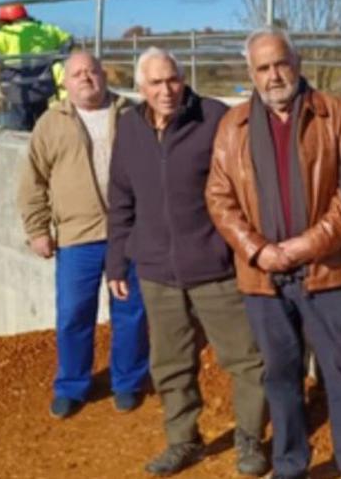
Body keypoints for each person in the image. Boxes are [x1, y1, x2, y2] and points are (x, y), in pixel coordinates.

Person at [206, 29, 341, 479]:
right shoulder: (232, 126)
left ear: (297, 63)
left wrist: (307, 245)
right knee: (280, 378)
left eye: (281, 63)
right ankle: (290, 465)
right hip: (263, 278)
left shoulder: (336, 115)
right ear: (251, 74)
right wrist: (257, 251)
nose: (274, 75)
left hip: (328, 272)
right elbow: (219, 197)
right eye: (263, 68)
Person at [105, 47, 269, 477]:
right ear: (140, 88)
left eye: (172, 80)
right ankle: (183, 440)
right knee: (170, 362)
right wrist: (116, 262)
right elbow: (121, 199)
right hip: (156, 271)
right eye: (156, 83)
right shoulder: (129, 128)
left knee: (247, 359)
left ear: (183, 78)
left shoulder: (214, 117)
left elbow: (245, 183)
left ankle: (249, 438)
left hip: (214, 267)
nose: (166, 90)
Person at [17, 51, 150, 420]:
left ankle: (128, 382)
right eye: (77, 74)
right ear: (66, 82)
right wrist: (37, 230)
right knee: (75, 313)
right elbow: (32, 182)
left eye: (92, 71)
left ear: (104, 76)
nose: (86, 78)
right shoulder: (51, 123)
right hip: (77, 236)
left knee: (131, 311)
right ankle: (72, 386)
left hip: (128, 233)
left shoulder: (130, 114)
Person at [0, 3, 73, 130]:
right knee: (43, 123)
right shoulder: (47, 29)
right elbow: (68, 40)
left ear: (4, 20)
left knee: (19, 127)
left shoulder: (3, 34)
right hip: (43, 85)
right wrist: (59, 56)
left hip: (17, 88)